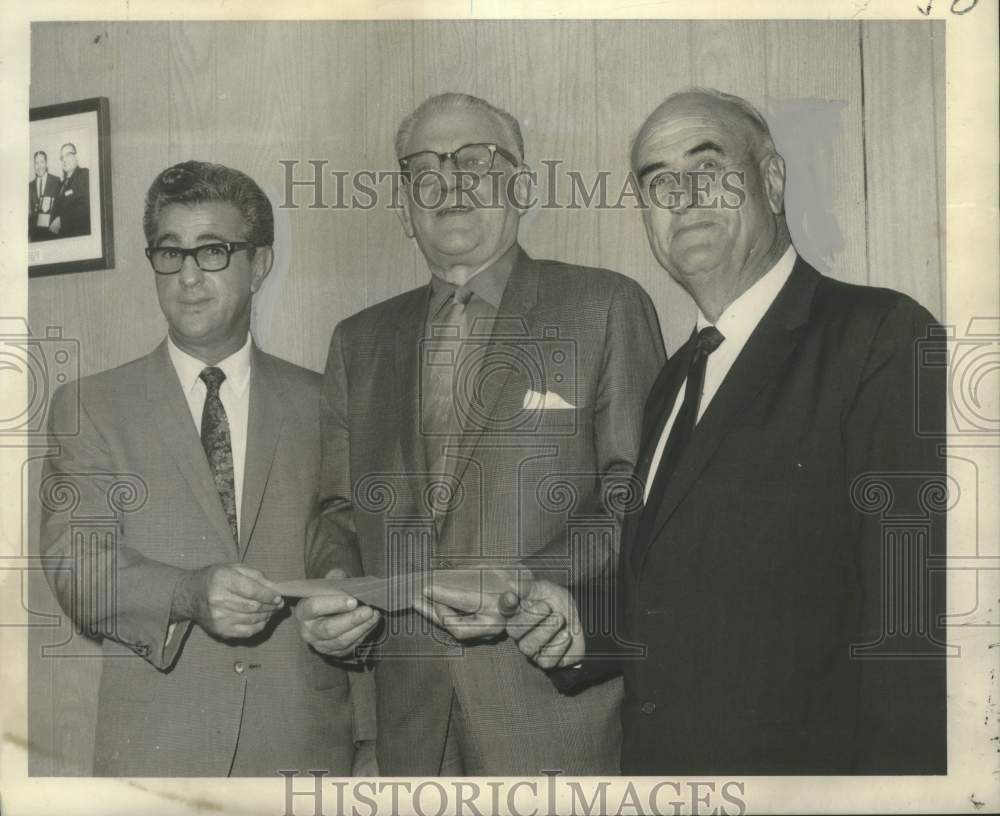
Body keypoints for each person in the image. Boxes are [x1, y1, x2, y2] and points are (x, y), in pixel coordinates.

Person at [510, 87, 948, 775]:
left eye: (707, 167)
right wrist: (580, 629)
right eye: (657, 181)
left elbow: (913, 629)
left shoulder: (879, 337)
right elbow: (690, 592)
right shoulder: (674, 378)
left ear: (771, 182)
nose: (681, 195)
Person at [297, 92, 664, 775]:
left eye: (476, 160)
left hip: (555, 720)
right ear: (404, 208)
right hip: (409, 729)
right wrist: (338, 583)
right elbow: (338, 512)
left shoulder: (604, 307)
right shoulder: (359, 341)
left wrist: (528, 581)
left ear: (521, 187)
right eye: (424, 169)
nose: (450, 182)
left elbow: (636, 500)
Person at [41, 161, 362, 776]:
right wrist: (188, 593)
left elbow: (356, 556)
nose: (188, 276)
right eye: (170, 253)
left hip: (304, 751)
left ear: (259, 264)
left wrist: (371, 741)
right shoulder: (91, 407)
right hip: (158, 753)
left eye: (213, 251)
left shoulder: (324, 402)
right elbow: (77, 569)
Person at [48, 142, 91, 237]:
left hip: (77, 236)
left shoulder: (84, 174)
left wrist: (62, 220)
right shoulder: (61, 184)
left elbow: (85, 205)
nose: (64, 160)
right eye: (62, 157)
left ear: (76, 156)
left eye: (68, 155)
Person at [29, 150, 61, 242]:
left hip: (53, 234)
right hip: (36, 236)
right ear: (34, 165)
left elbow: (62, 206)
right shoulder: (30, 186)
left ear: (46, 163)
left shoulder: (56, 181)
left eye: (42, 162)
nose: (39, 166)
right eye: (36, 163)